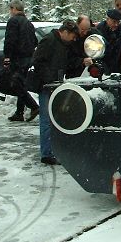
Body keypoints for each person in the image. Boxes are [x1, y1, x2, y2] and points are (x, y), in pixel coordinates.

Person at [32, 20, 79, 165]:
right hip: (46, 85)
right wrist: (49, 79)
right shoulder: (49, 40)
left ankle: (52, 150)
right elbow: (38, 61)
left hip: (54, 84)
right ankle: (46, 153)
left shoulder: (62, 44)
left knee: (53, 119)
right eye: (72, 36)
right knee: (46, 120)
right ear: (64, 32)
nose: (73, 39)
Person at [3, 0, 39, 122]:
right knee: (21, 84)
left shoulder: (13, 21)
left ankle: (33, 106)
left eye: (10, 9)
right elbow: (35, 41)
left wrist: (7, 56)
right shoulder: (28, 23)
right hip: (28, 58)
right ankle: (19, 112)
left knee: (16, 85)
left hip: (17, 58)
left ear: (13, 9)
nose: (10, 11)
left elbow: (10, 40)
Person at [96, 9, 121, 74]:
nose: (116, 25)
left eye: (118, 22)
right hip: (102, 64)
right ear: (107, 20)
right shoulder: (99, 29)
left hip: (118, 64)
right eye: (114, 22)